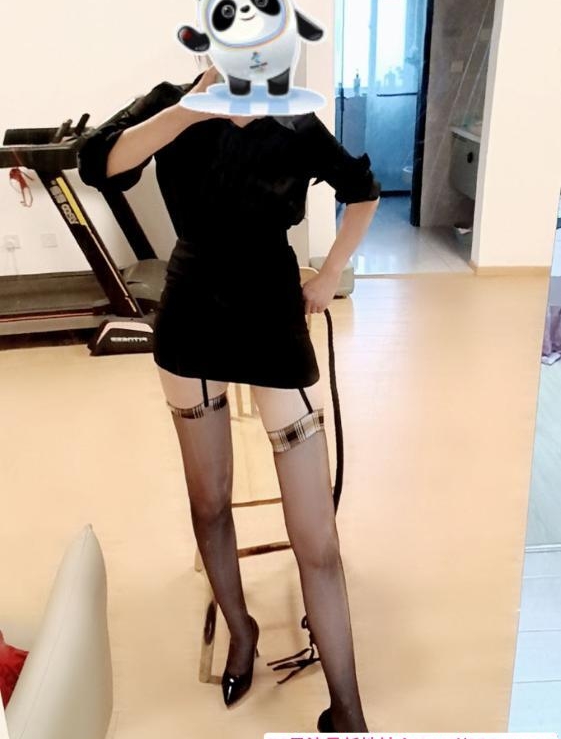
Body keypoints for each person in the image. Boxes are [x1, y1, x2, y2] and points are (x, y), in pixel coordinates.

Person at [78, 64, 380, 732]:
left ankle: (348, 711)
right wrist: (192, 109)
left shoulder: (294, 117)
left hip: (272, 313)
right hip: (191, 314)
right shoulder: (172, 104)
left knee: (316, 537)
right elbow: (97, 163)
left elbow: (363, 189)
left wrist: (330, 273)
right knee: (210, 502)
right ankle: (241, 630)